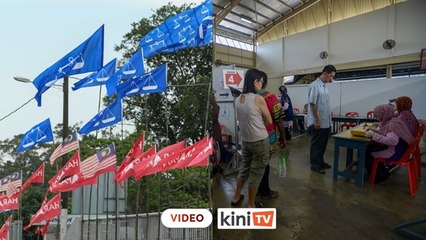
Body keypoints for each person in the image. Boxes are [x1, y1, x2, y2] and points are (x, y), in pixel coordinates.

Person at [231, 68, 272, 208]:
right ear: (255, 81)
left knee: (244, 168)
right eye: (261, 81)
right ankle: (251, 204)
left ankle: (236, 196)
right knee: (256, 172)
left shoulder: (238, 100)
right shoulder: (258, 98)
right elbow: (269, 121)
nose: (262, 84)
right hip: (259, 140)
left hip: (246, 141)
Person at [364, 104, 414, 183]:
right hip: (400, 149)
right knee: (370, 146)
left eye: (377, 116)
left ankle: (378, 177)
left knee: (368, 152)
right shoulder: (393, 120)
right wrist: (375, 131)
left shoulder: (392, 124)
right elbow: (386, 133)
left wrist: (373, 135)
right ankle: (383, 172)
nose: (376, 119)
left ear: (383, 114)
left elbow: (392, 141)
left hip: (395, 152)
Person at [256, 71, 287, 200]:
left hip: (251, 138)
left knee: (256, 165)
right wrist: (283, 138)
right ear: (265, 82)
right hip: (268, 137)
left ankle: (256, 189)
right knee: (265, 164)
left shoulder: (247, 97)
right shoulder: (271, 97)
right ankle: (264, 192)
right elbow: (279, 120)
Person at [307, 64, 336, 174]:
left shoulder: (324, 86)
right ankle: (315, 164)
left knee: (323, 143)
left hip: (326, 121)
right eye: (331, 76)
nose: (331, 79)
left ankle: (320, 161)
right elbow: (312, 104)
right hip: (319, 122)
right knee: (317, 144)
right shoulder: (314, 86)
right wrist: (317, 120)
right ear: (325, 73)